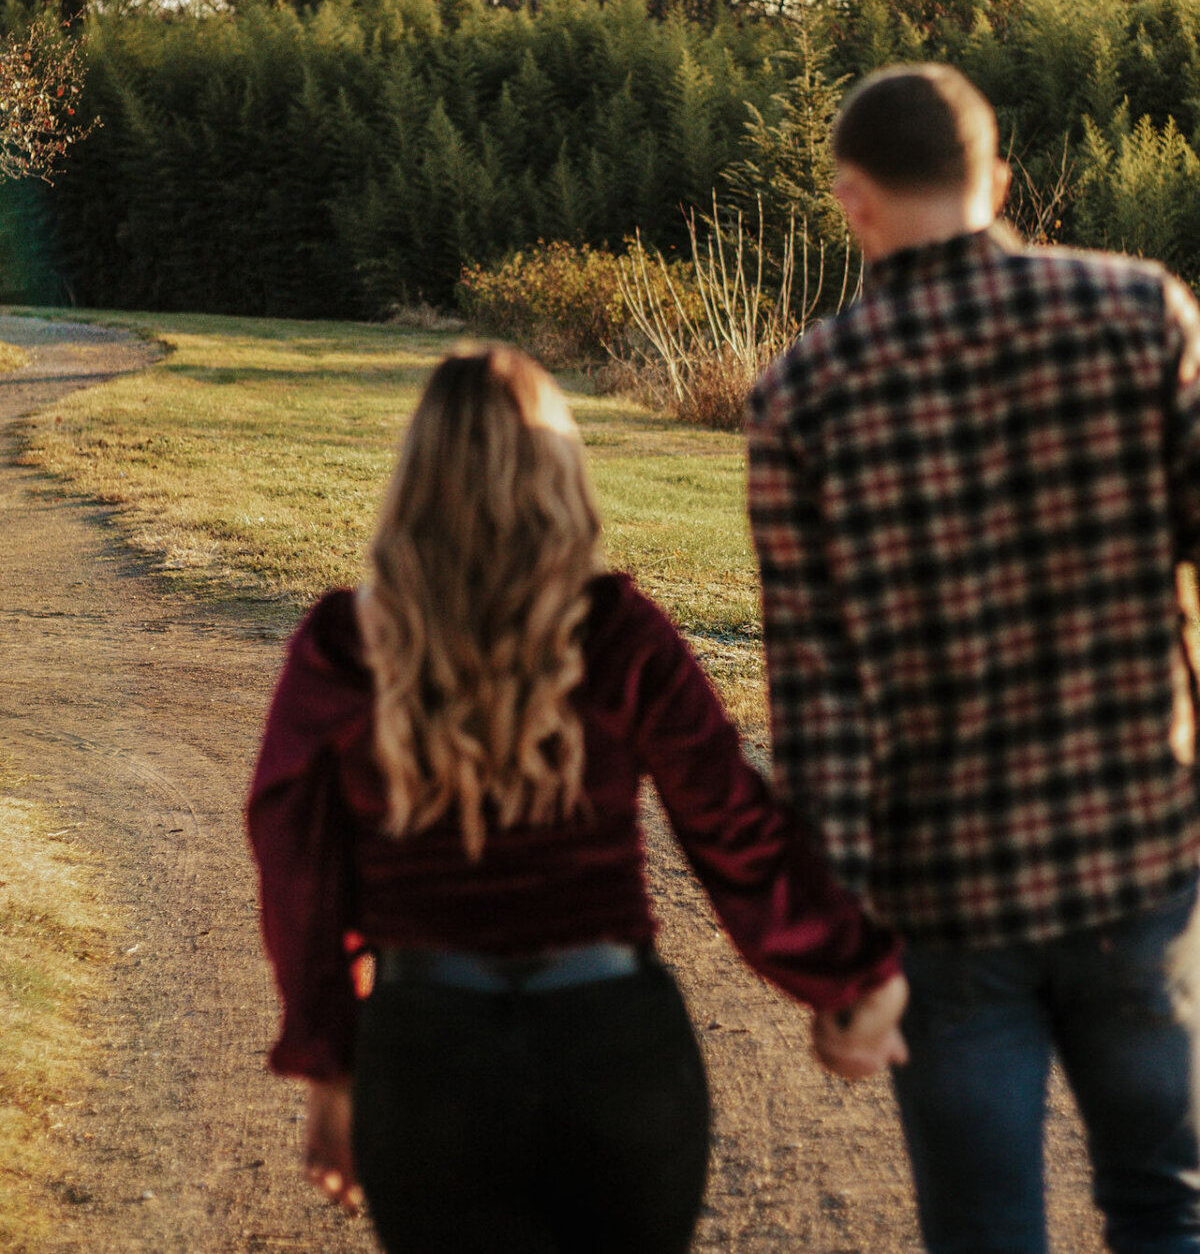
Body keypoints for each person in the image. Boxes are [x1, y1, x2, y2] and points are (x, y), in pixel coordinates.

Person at [247, 344, 907, 1254]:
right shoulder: (619, 636)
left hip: (427, 1054)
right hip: (614, 1051)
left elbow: (294, 866)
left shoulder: (341, 649)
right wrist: (849, 976)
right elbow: (733, 829)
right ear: (560, 473)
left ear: (414, 479)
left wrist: (333, 1063)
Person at [746, 61, 1200, 1254]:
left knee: (986, 1235)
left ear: (853, 202)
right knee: (1167, 1211)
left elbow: (820, 706)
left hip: (945, 901)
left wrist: (845, 956)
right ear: (995, 177)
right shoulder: (1142, 315)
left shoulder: (805, 397)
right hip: (1140, 862)